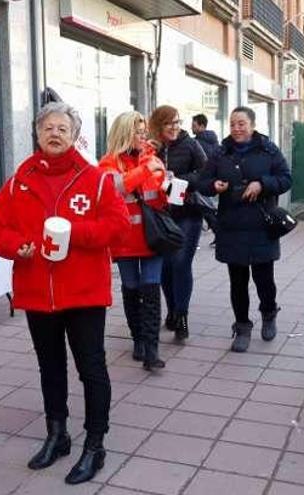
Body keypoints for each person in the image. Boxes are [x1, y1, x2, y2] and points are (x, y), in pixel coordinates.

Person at [0, 102, 129, 484]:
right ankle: (57, 434)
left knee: (91, 368)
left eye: (62, 127)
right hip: (36, 292)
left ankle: (95, 445)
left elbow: (117, 227)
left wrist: (74, 232)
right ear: (37, 133)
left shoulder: (96, 179)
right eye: (47, 127)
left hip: (83, 292)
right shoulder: (19, 180)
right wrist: (19, 245)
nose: (54, 133)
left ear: (74, 134)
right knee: (50, 367)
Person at [198, 106, 292, 353]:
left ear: (252, 125)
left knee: (264, 280)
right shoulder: (221, 152)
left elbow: (285, 178)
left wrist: (262, 184)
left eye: (241, 124)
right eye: (232, 124)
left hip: (261, 225)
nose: (237, 129)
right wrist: (213, 185)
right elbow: (202, 182)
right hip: (231, 225)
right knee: (237, 282)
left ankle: (269, 313)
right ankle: (242, 326)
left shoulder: (268, 149)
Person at [98, 111, 168, 369]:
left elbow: (157, 197)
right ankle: (137, 338)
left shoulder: (153, 158)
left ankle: (151, 349)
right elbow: (115, 189)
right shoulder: (108, 163)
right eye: (137, 131)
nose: (142, 136)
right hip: (124, 239)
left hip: (152, 237)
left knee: (151, 289)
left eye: (143, 132)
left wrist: (168, 190)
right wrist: (144, 170)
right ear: (124, 132)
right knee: (131, 288)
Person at [150, 105, 208, 341]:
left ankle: (182, 316)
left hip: (188, 212)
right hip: (160, 215)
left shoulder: (191, 144)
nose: (174, 127)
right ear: (158, 126)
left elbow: (206, 173)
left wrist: (180, 180)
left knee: (181, 262)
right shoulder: (151, 147)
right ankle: (173, 309)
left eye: (177, 122)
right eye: (168, 123)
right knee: (164, 266)